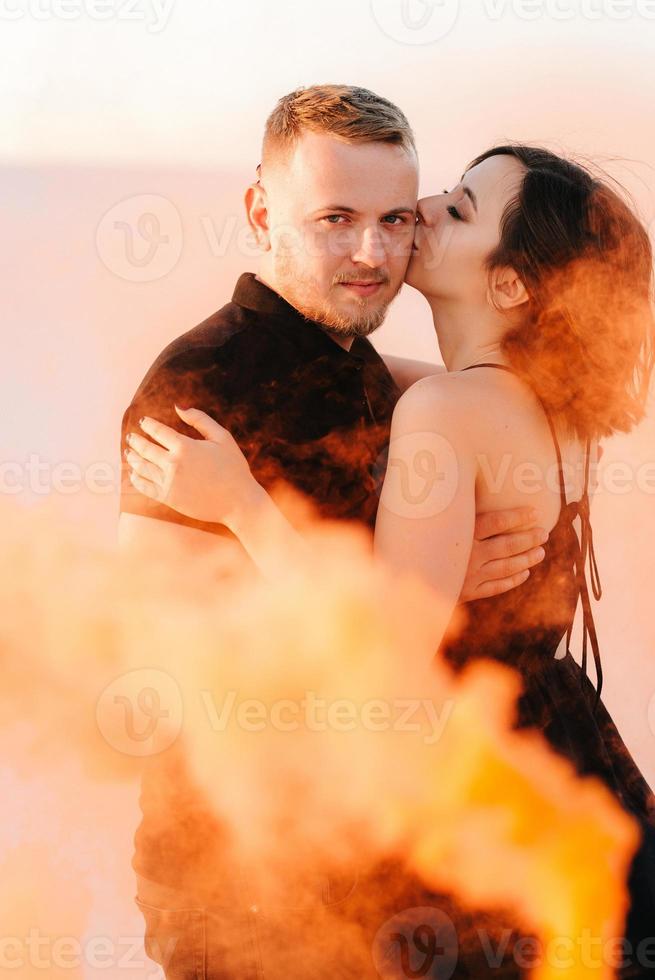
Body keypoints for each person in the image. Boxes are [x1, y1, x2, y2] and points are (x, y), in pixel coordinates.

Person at [127, 142, 655, 977]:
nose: (426, 211)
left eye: (459, 209)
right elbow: (389, 380)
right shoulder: (556, 405)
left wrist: (240, 505)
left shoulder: (446, 409)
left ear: (510, 284)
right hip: (567, 756)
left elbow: (388, 650)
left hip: (468, 800)